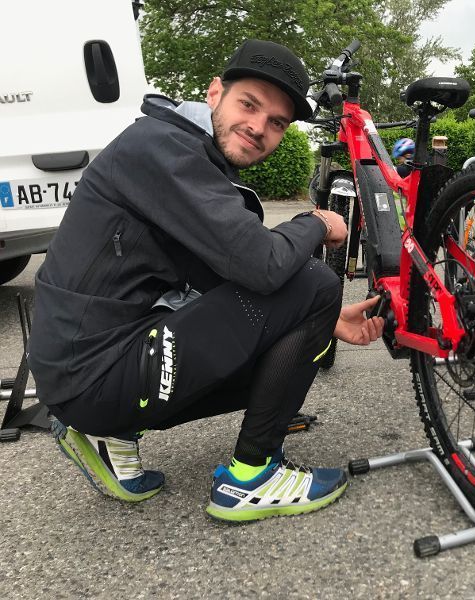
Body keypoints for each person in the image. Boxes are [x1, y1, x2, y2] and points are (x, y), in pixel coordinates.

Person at [27, 39, 384, 522]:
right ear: (215, 93)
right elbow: (264, 264)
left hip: (83, 370)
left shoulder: (184, 153)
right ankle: (252, 477)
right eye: (249, 105)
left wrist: (324, 320)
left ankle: (108, 432)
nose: (258, 127)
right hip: (93, 374)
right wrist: (317, 221)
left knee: (302, 312)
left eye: (276, 122)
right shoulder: (163, 148)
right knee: (316, 280)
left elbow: (224, 274)